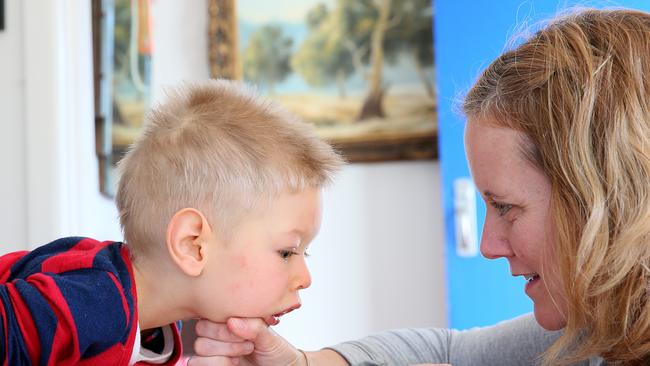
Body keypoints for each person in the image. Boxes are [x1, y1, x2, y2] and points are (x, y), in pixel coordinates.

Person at [187, 8, 650, 366]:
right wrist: (301, 362)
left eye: (506, 207)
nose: (489, 244)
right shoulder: (597, 329)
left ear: (603, 200)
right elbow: (452, 350)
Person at [0, 79, 343, 365]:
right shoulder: (96, 300)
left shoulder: (160, 328)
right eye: (287, 252)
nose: (305, 279)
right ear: (192, 245)